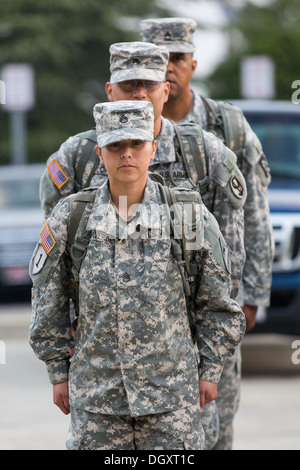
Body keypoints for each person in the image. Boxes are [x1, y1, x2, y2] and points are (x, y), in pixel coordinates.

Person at [38, 40, 247, 449]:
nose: (127, 154)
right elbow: (49, 296)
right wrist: (57, 370)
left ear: (153, 149)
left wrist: (210, 368)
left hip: (172, 400)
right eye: (116, 146)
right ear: (101, 153)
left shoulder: (186, 214)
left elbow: (217, 303)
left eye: (137, 144)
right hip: (97, 402)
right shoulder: (72, 217)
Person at [139, 17, 274, 450]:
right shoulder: (127, 135)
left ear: (193, 63)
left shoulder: (227, 126)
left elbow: (254, 212)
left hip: (215, 305)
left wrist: (253, 293)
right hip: (151, 312)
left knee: (217, 426)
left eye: (177, 58)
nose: (168, 70)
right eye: (159, 61)